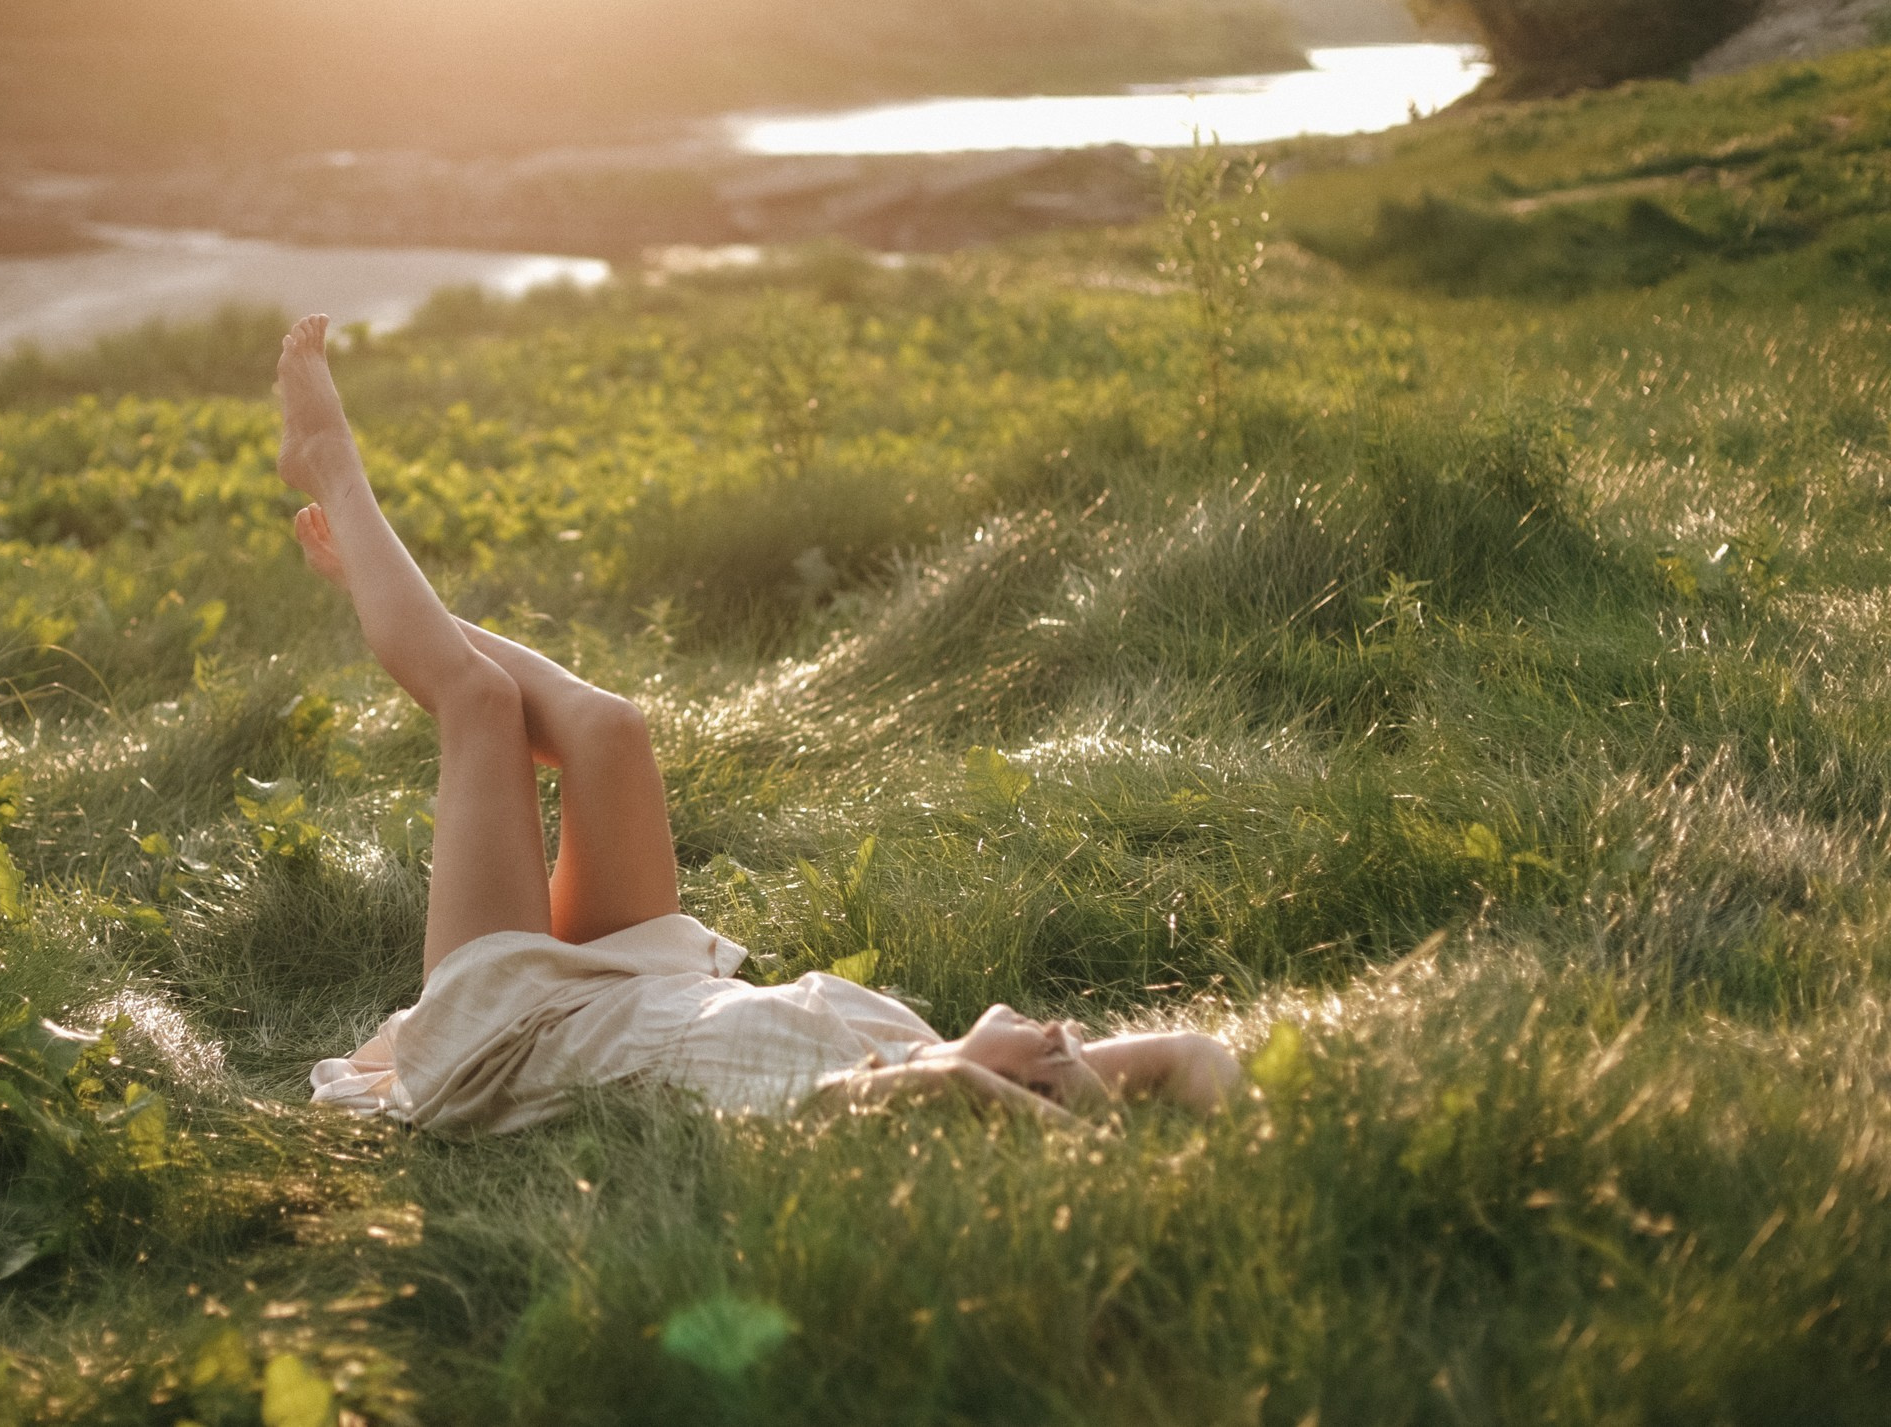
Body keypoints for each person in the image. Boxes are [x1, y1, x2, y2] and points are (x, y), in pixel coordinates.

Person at [275, 315, 1239, 1133]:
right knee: (611, 729)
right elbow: (1194, 1054)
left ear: (997, 1088)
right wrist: (1095, 1073)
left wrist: (988, 1087)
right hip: (631, 992)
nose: (1055, 1029)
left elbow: (952, 1107)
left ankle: (328, 461)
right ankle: (381, 579)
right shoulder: (904, 1040)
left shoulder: (872, 1092)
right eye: (1064, 1039)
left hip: (512, 1042)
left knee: (480, 704)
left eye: (1047, 1049)